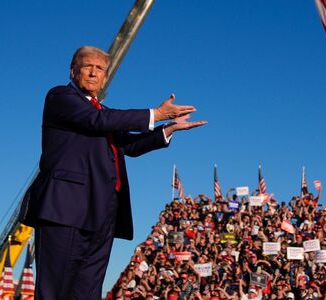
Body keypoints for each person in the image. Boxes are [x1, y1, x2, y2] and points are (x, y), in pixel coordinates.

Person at [21, 45, 206, 299]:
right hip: (65, 211)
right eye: (88, 66)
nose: (94, 73)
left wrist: (167, 129)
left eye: (100, 69)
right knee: (55, 291)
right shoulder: (60, 97)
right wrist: (155, 113)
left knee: (87, 293)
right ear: (74, 70)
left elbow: (128, 145)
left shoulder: (104, 113)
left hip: (102, 214)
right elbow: (96, 122)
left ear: (105, 77)